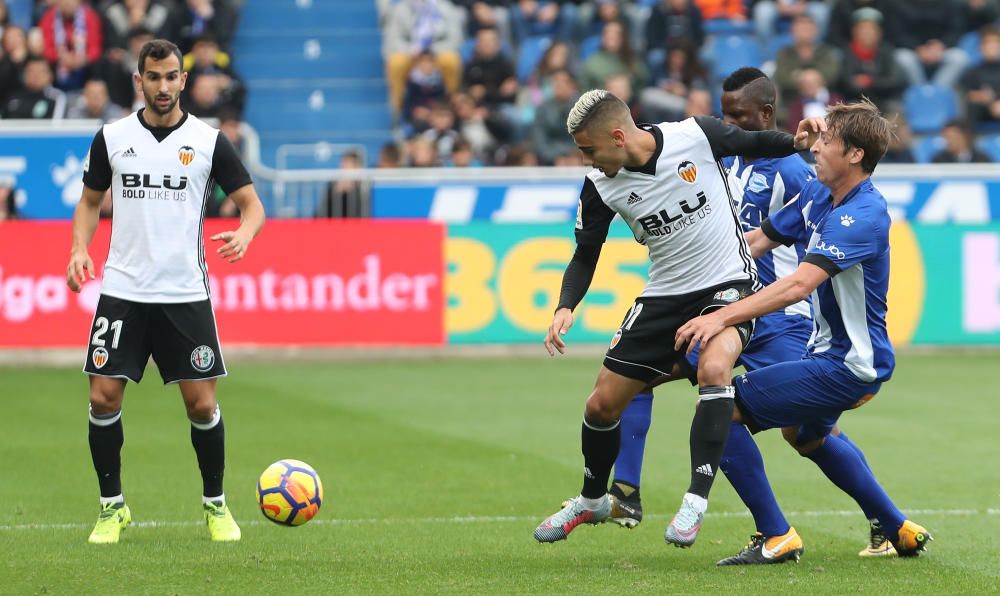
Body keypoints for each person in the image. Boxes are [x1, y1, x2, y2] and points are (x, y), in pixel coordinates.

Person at [531, 87, 820, 545]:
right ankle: (593, 500)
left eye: (589, 149)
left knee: (715, 366)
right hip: (665, 294)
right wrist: (566, 304)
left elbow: (753, 143)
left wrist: (798, 142)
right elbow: (586, 254)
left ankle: (695, 500)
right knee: (601, 405)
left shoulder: (694, 136)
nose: (586, 160)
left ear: (619, 136)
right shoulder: (600, 186)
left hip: (729, 283)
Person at [674, 99, 933, 560]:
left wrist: (720, 316)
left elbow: (797, 284)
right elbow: (755, 242)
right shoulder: (819, 192)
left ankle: (776, 536)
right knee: (806, 436)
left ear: (855, 155)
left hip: (848, 366)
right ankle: (899, 529)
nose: (817, 148)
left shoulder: (864, 214)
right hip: (831, 356)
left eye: (828, 141)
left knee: (722, 409)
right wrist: (693, 280)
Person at [66, 38, 265, 545]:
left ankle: (215, 505)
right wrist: (78, 249)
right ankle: (112, 508)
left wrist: (244, 232)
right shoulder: (111, 138)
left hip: (184, 294)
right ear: (139, 80)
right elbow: (90, 202)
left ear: (183, 79)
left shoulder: (208, 141)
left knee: (201, 405)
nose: (162, 86)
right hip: (124, 291)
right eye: (152, 77)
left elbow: (252, 205)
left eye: (171, 76)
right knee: (103, 396)